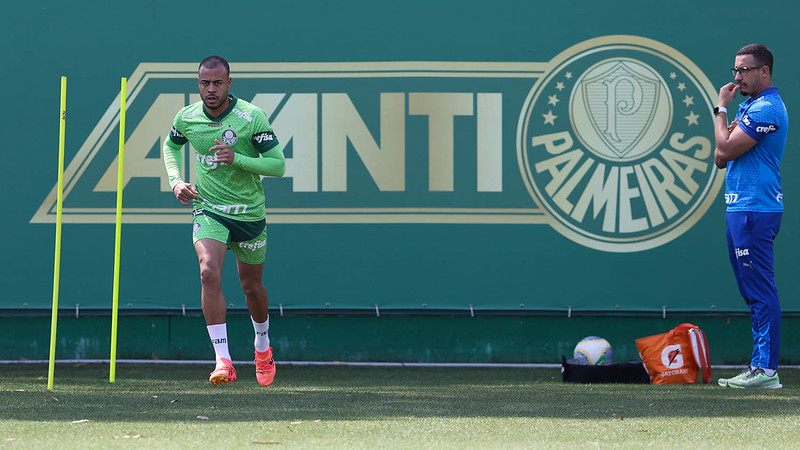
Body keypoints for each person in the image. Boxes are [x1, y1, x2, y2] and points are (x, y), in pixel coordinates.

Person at [162, 55, 286, 386]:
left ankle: (262, 346)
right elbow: (170, 146)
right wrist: (176, 180)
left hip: (248, 214)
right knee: (207, 271)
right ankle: (223, 360)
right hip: (210, 209)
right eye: (205, 83)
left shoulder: (250, 117)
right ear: (198, 83)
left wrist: (239, 158)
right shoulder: (187, 117)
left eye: (218, 83)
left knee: (251, 287)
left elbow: (278, 165)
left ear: (229, 84)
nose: (211, 89)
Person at [713, 44, 788, 389]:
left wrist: (720, 109)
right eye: (735, 71)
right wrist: (727, 115)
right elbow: (720, 157)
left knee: (760, 289)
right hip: (740, 207)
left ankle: (765, 370)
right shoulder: (751, 106)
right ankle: (760, 365)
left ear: (764, 71)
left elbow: (725, 148)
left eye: (745, 70)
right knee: (751, 290)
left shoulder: (768, 108)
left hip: (756, 209)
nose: (738, 76)